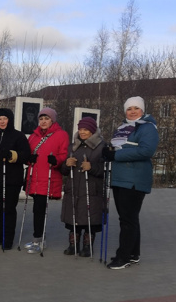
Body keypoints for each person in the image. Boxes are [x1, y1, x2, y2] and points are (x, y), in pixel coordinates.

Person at [102, 96, 159, 269]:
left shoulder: (148, 128)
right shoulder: (123, 127)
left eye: (136, 108)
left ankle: (123, 257)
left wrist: (116, 155)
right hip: (120, 178)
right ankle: (133, 253)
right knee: (129, 218)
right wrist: (109, 151)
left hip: (134, 179)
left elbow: (146, 151)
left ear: (143, 110)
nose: (133, 111)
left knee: (128, 219)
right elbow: (122, 148)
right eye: (129, 109)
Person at [0, 108, 30, 249]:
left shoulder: (18, 136)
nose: (2, 122)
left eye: (4, 119)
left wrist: (12, 155)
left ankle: (7, 238)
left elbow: (26, 155)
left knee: (9, 209)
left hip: (11, 180)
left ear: (10, 120)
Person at [23, 107, 69, 254]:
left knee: (40, 209)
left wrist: (56, 160)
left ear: (52, 120)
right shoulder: (34, 136)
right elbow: (28, 153)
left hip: (48, 176)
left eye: (46, 118)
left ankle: (39, 240)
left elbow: (64, 154)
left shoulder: (61, 135)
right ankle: (37, 238)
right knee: (36, 209)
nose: (43, 121)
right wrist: (28, 159)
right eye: (41, 119)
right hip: (34, 177)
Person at [60, 116, 105, 257]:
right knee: (74, 219)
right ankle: (73, 245)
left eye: (85, 129)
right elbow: (63, 170)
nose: (82, 132)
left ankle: (87, 247)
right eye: (80, 129)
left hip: (91, 189)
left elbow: (106, 169)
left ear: (92, 131)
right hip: (74, 188)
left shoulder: (101, 146)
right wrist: (67, 164)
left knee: (89, 219)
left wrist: (92, 167)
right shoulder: (73, 146)